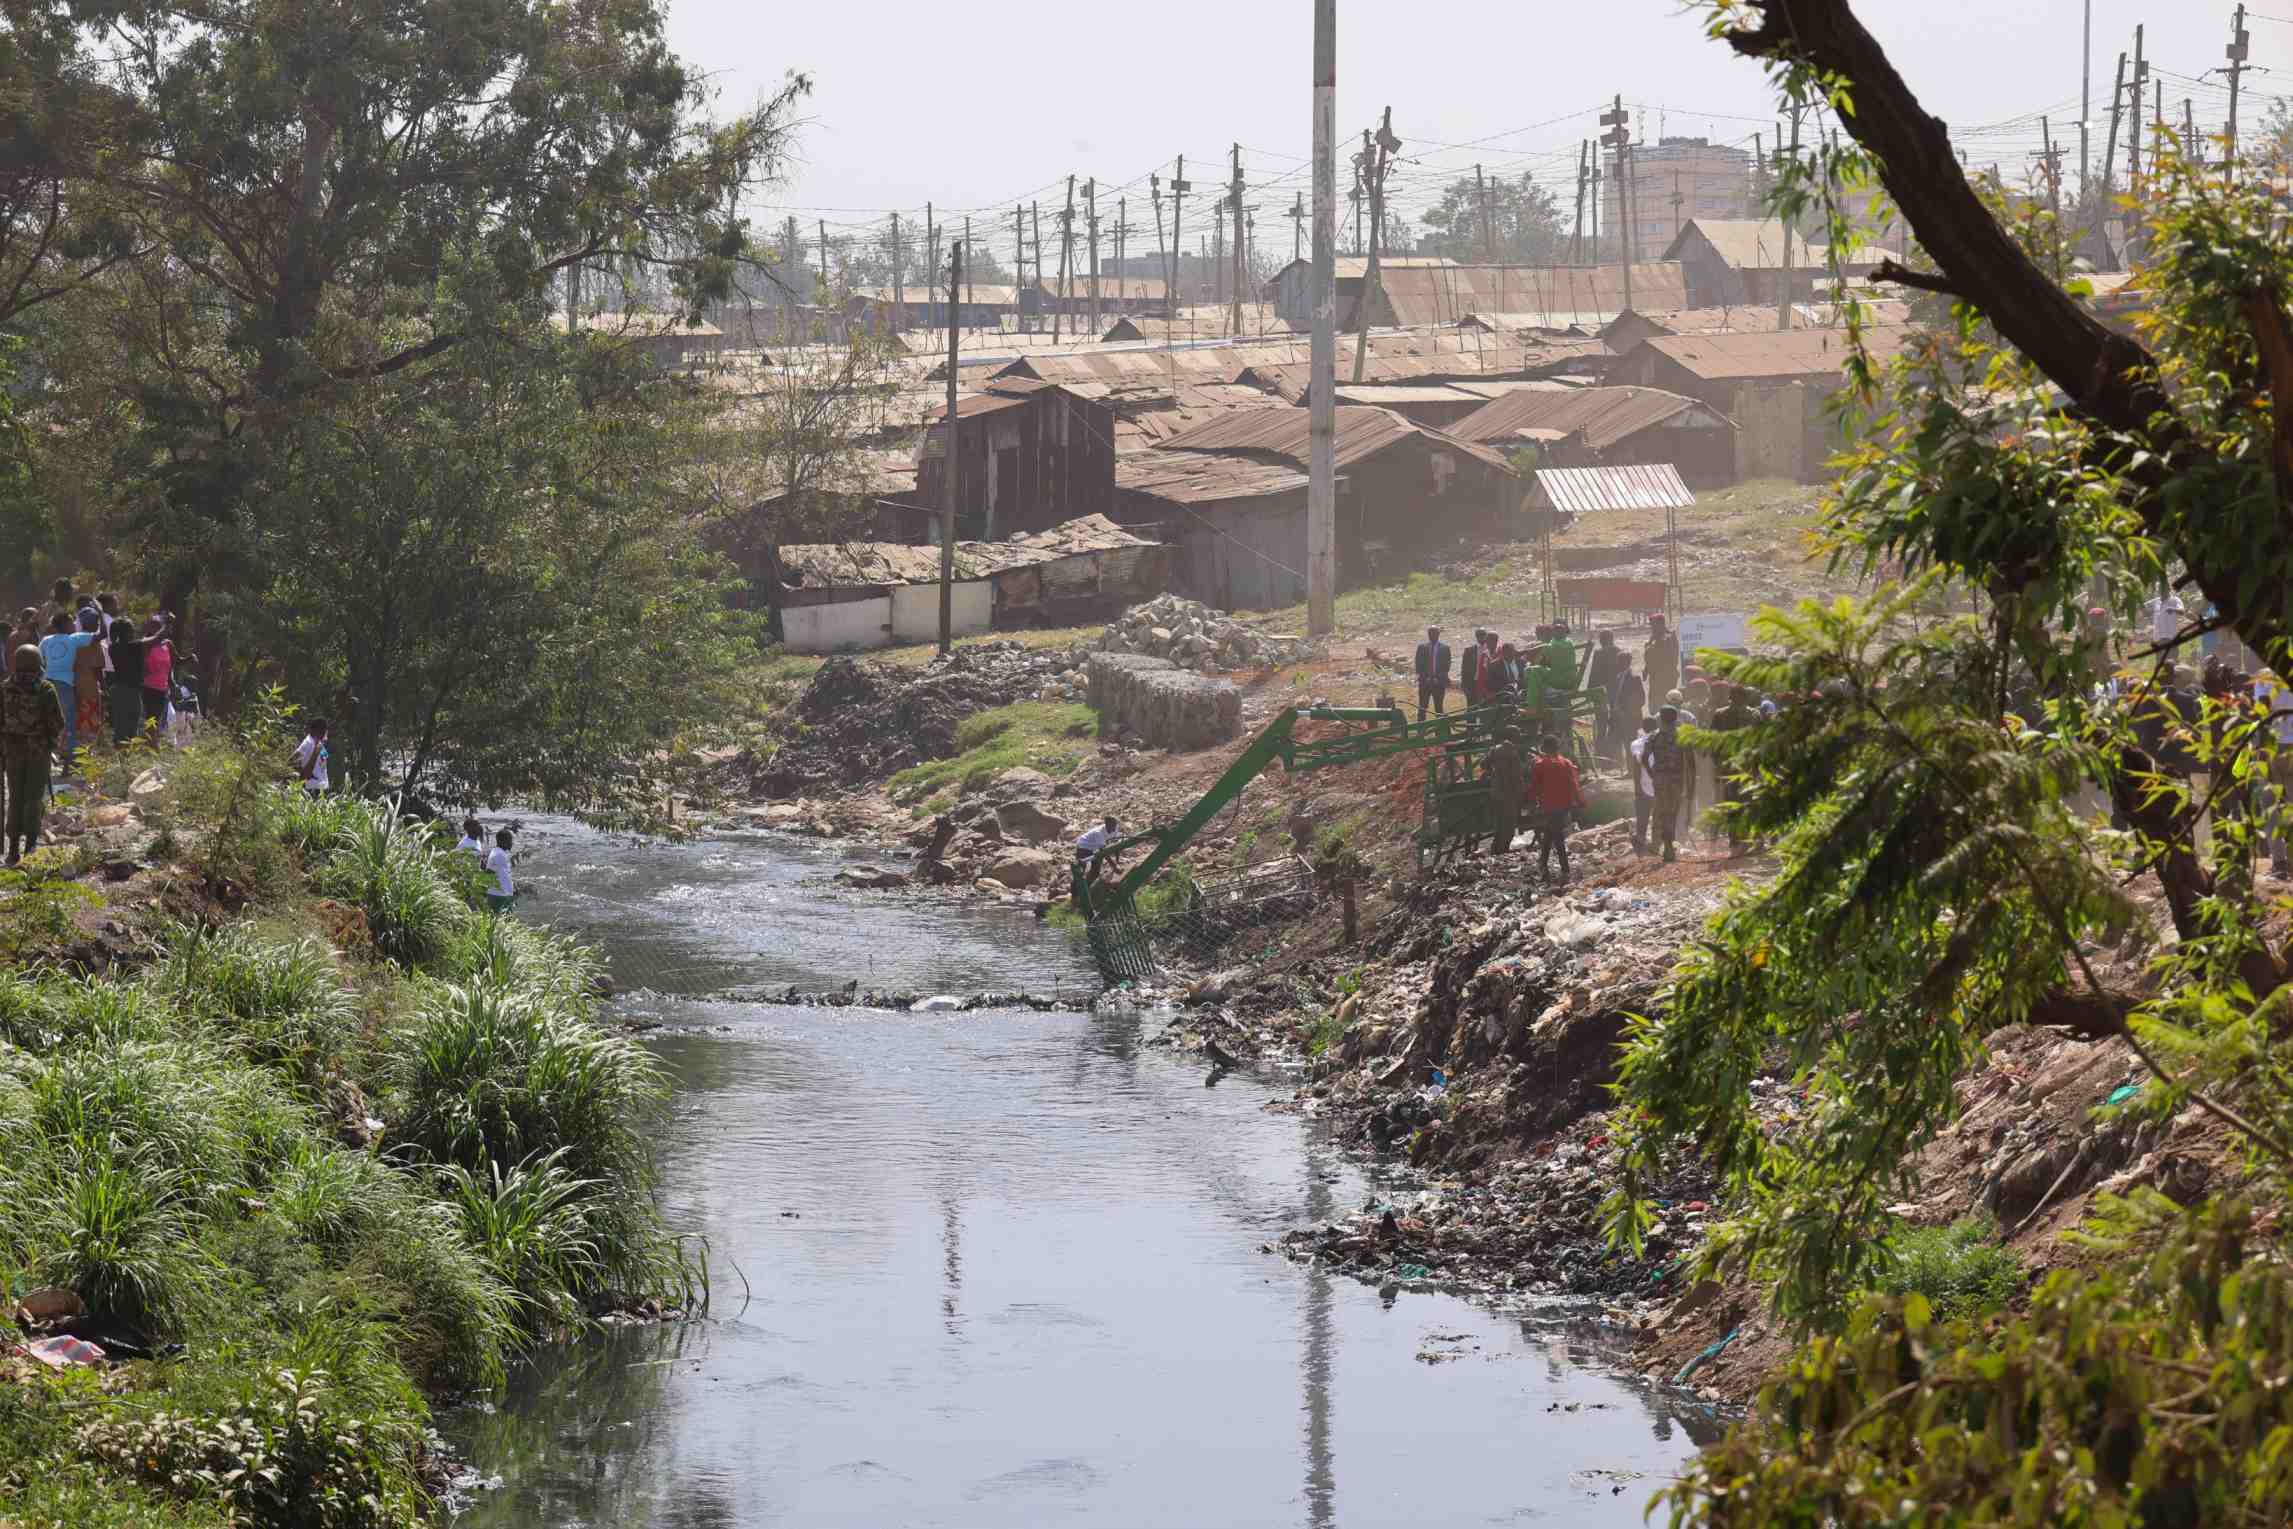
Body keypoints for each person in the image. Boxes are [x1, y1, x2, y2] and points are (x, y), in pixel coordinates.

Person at [0, 644, 63, 865]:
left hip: (13, 752)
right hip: (38, 751)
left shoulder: (4, 688)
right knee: (33, 799)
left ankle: (12, 850)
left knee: (15, 797)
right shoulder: (45, 689)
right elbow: (57, 723)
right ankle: (30, 848)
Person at [37, 612, 92, 774]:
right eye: (72, 622)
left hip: (47, 683)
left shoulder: (46, 640)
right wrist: (101, 614)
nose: (74, 625)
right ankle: (70, 763)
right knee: (68, 722)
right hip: (64, 685)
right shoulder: (74, 639)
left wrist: (46, 673)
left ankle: (46, 760)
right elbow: (101, 634)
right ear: (67, 625)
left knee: (46, 721)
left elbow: (39, 660)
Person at [1528, 731, 1587, 883]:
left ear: (1544, 748)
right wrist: (1580, 801)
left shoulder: (1539, 765)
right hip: (1564, 805)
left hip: (1548, 806)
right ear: (1557, 747)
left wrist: (1530, 802)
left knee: (1556, 837)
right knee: (1551, 833)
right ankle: (1543, 864)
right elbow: (1574, 784)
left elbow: (1534, 787)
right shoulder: (1566, 763)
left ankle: (1564, 869)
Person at [1708, 683, 1759, 852]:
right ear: (1745, 697)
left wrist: (1717, 765)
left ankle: (1735, 839)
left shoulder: (1720, 714)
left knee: (1731, 802)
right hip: (1748, 766)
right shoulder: (1754, 714)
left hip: (1728, 766)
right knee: (1747, 801)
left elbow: (1713, 742)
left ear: (1731, 696)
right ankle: (1745, 837)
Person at [1648, 705, 1694, 863]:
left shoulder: (1654, 736)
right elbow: (1690, 762)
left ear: (1660, 718)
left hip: (1660, 780)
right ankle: (1669, 846)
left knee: (1663, 812)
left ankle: (1668, 844)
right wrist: (1691, 784)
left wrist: (1652, 774)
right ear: (1676, 718)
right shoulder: (1683, 736)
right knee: (1672, 812)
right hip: (1676, 779)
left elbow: (1644, 758)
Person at [104, 601, 143, 746]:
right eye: (132, 630)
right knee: (131, 728)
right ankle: (125, 760)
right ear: (126, 632)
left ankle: (122, 758)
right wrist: (165, 626)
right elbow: (154, 639)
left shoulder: (113, 647)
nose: (134, 633)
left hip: (119, 690)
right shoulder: (133, 646)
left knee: (121, 727)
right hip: (129, 691)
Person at [1481, 727, 1524, 856]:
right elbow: (1517, 775)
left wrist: (1492, 773)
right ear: (1514, 737)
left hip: (1496, 792)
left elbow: (1483, 765)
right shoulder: (1513, 752)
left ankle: (1496, 850)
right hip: (1509, 793)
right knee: (1509, 826)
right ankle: (1503, 850)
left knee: (1499, 824)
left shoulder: (1494, 749)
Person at [69, 608, 103, 760]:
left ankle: (72, 755)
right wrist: (104, 687)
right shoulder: (94, 640)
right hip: (89, 687)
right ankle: (86, 756)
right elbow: (97, 668)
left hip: (73, 685)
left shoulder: (72, 638)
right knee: (90, 721)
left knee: (76, 721)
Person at [1071, 816, 1121, 911]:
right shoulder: (1099, 833)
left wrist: (1117, 862)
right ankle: (1074, 897)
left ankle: (1087, 892)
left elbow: (1117, 846)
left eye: (1115, 825)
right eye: (1112, 826)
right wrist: (1114, 867)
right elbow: (1104, 851)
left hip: (1095, 847)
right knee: (1080, 871)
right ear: (1106, 825)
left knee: (1095, 871)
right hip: (1084, 846)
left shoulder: (1116, 828)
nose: (1114, 828)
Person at [1628, 716, 1659, 855]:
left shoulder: (1636, 743)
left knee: (1642, 813)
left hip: (1645, 783)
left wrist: (1637, 787)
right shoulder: (1666, 741)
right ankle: (1657, 841)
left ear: (1643, 727)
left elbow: (1636, 767)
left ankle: (1641, 837)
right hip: (1662, 784)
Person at [1609, 656, 1646, 766]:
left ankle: (1633, 769)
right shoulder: (1619, 676)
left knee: (1631, 744)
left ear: (1625, 663)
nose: (1617, 664)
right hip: (1620, 716)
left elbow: (1641, 699)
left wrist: (1628, 711)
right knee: (1625, 743)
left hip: (1629, 717)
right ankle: (1628, 768)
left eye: (1619, 661)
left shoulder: (1634, 678)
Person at [139, 616, 173, 736]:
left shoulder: (167, 645)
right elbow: (141, 663)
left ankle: (150, 744)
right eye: (153, 625)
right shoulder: (145, 643)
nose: (156, 628)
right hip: (148, 687)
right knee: (149, 718)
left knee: (157, 720)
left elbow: (171, 666)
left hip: (162, 688)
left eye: (158, 625)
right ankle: (150, 744)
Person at [1414, 624, 1452, 721]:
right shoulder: (1422, 647)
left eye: (1434, 633)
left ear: (1438, 634)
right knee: (1422, 707)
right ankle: (1421, 730)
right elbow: (1418, 665)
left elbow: (1446, 666)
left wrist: (1437, 677)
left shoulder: (1445, 648)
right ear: (1428, 634)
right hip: (1424, 682)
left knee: (1438, 708)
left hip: (1438, 683)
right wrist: (1425, 677)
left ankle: (1439, 731)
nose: (1432, 635)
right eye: (1430, 633)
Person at [1643, 612, 1682, 702]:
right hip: (1655, 678)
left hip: (1667, 677)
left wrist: (1649, 646)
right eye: (1651, 625)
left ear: (1661, 625)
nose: (1652, 628)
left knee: (1668, 702)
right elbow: (1649, 657)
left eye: (1653, 625)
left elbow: (1659, 655)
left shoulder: (1669, 638)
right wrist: (1646, 669)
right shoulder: (1654, 637)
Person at [292, 718, 331, 795]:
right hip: (312, 788)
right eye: (322, 729)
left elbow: (322, 764)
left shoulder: (319, 743)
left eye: (325, 729)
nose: (324, 732)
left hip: (322, 787)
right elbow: (293, 760)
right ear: (315, 730)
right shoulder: (308, 743)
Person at [483, 828, 517, 913]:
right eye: (510, 840)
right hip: (499, 896)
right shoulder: (499, 855)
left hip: (502, 895)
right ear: (503, 841)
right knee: (504, 922)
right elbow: (489, 873)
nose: (512, 843)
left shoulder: (499, 852)